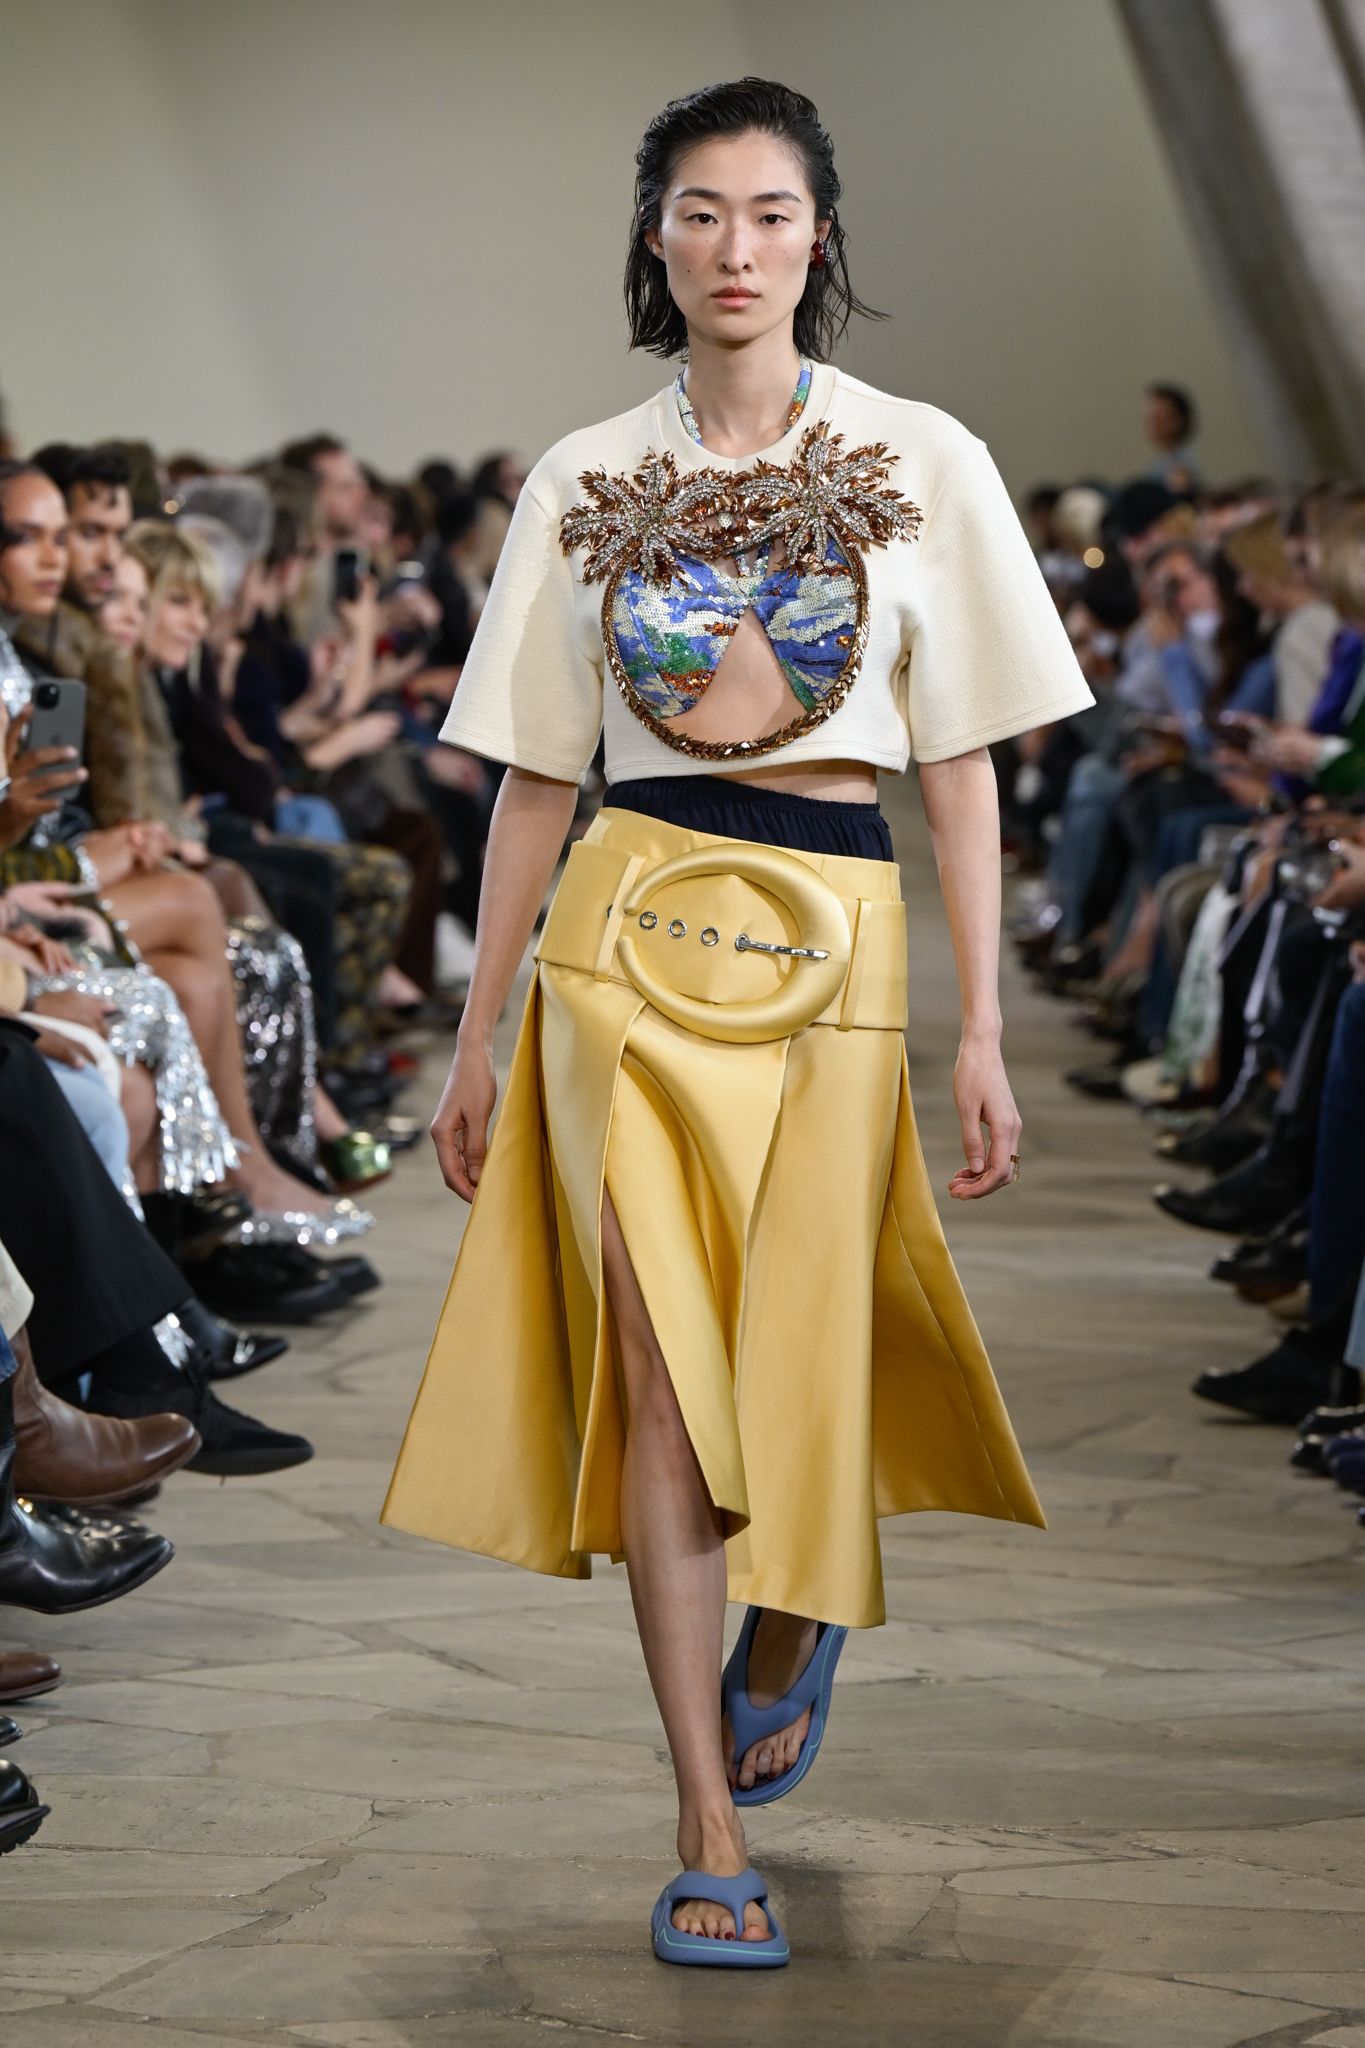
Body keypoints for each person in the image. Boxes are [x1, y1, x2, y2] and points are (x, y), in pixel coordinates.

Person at [382, 77, 1093, 1969]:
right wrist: (474, 1035)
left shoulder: (923, 456)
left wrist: (982, 1028)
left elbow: (961, 762)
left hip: (833, 936)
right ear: (654, 237)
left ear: (819, 238)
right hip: (624, 935)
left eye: (770, 213)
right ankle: (704, 1820)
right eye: (698, 211)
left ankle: (799, 1606)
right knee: (660, 1374)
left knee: (801, 1345)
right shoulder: (581, 476)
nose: (734, 246)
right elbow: (533, 775)